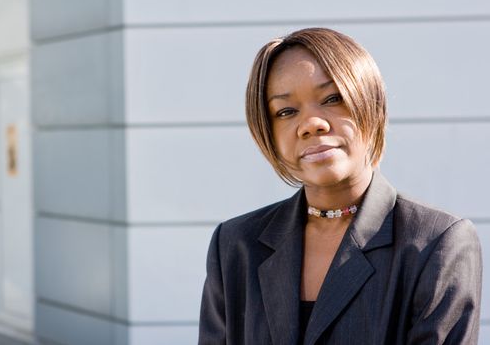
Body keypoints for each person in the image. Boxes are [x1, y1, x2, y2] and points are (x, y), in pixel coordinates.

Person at [198, 27, 482, 345]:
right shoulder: (236, 245)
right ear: (268, 133)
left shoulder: (437, 243)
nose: (311, 123)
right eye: (286, 111)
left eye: (333, 98)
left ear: (370, 103)